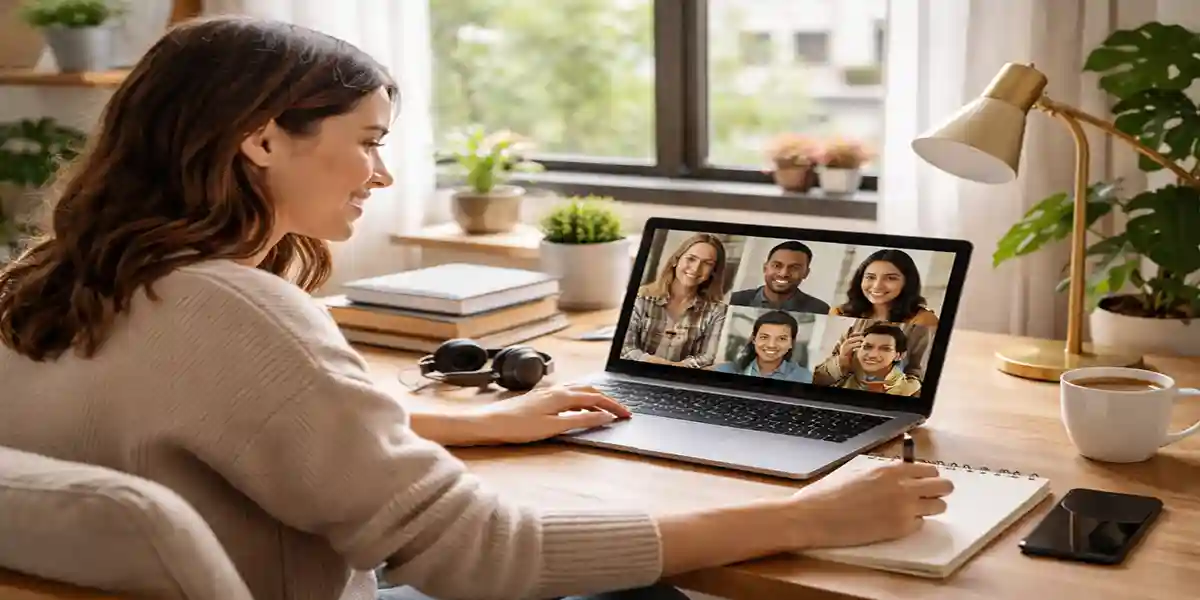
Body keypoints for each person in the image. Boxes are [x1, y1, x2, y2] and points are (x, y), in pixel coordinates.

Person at [0, 16, 954, 600]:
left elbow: (202, 420)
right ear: (258, 140)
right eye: (366, 139)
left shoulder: (44, 279)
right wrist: (808, 517)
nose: (380, 171)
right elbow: (485, 556)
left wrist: (478, 424)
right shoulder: (238, 313)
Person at [814, 249, 939, 385]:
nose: (877, 286)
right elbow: (817, 379)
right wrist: (842, 361)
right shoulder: (840, 312)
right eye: (870, 277)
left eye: (891, 278)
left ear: (907, 282)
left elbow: (922, 375)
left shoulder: (924, 320)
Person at [619, 233, 729, 369]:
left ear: (714, 271)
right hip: (636, 373)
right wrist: (664, 365)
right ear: (676, 260)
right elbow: (625, 348)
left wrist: (675, 369)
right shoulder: (640, 297)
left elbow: (707, 357)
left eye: (707, 263)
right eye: (691, 259)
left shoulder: (717, 311)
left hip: (683, 380)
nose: (696, 268)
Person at [729, 240, 831, 314]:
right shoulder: (734, 300)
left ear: (806, 273)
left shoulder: (820, 309)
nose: (783, 273)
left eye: (794, 268)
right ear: (765, 268)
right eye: (777, 266)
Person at [714, 310, 813, 382]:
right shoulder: (726, 370)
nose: (771, 345)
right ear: (754, 339)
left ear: (792, 343)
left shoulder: (805, 378)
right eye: (764, 337)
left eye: (782, 339)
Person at [822, 324, 921, 396]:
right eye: (867, 347)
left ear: (899, 356)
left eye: (885, 349)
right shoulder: (840, 379)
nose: (872, 355)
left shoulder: (911, 389)